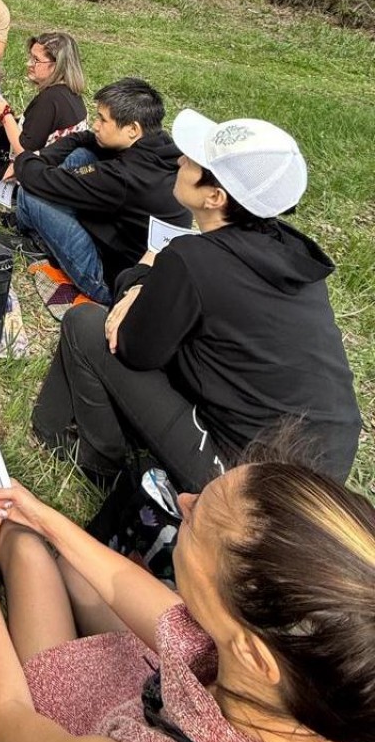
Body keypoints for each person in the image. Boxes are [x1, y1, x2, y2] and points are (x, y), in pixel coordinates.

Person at [0, 408, 375, 742]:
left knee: (29, 558)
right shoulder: (335, 697)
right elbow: (143, 599)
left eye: (195, 519)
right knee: (71, 568)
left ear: (253, 655)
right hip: (145, 716)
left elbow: (13, 718)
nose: (183, 500)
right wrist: (44, 514)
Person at [32, 109, 362, 491]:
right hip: (322, 473)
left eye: (192, 161)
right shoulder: (292, 254)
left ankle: (94, 456)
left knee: (85, 324)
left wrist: (140, 279)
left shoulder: (193, 259)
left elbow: (133, 350)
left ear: (215, 197)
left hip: (249, 481)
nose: (179, 162)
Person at [2, 78, 190, 305]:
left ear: (132, 129)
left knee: (31, 194)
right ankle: (39, 226)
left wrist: (24, 160)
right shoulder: (157, 144)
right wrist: (43, 157)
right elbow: (83, 138)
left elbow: (38, 180)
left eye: (103, 119)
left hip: (108, 280)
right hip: (122, 242)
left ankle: (32, 233)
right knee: (84, 154)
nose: (96, 125)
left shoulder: (124, 176)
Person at [0, 32, 87, 186]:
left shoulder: (50, 100)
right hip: (58, 163)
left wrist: (4, 114)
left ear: (57, 65)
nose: (29, 64)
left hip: (43, 175)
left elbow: (24, 152)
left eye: (36, 60)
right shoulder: (70, 92)